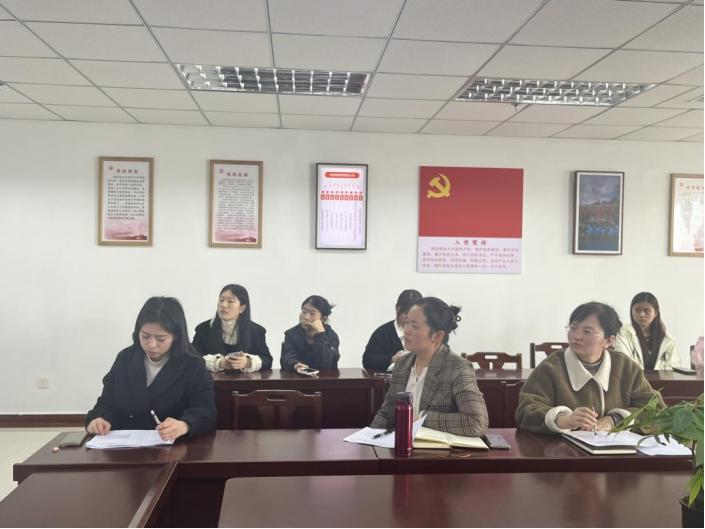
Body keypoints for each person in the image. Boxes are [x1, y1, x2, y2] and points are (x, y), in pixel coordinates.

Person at [515, 301, 659, 435]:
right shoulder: (551, 367)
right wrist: (563, 420)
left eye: (587, 331)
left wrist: (615, 420)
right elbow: (526, 410)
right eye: (573, 328)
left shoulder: (625, 367)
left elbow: (655, 409)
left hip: (616, 450)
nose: (576, 336)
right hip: (561, 450)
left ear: (609, 341)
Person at [85, 297, 216, 440]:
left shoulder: (193, 364)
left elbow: (205, 411)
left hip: (172, 445)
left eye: (161, 338)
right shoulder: (125, 359)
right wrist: (99, 419)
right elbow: (106, 403)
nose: (151, 344)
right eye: (145, 336)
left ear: (176, 336)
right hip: (125, 445)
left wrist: (185, 425)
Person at [370, 297, 488, 437]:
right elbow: (386, 415)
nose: (406, 330)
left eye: (415, 326)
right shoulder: (402, 363)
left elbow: (477, 423)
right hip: (400, 444)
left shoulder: (458, 368)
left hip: (435, 449)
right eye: (406, 323)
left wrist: (422, 418)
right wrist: (370, 439)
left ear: (437, 336)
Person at [192, 284, 272, 372]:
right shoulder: (203, 329)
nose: (223, 305)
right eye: (221, 300)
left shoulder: (256, 331)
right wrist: (218, 363)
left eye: (230, 301)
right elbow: (193, 359)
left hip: (245, 380)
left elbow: (267, 360)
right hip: (211, 380)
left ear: (242, 308)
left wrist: (247, 362)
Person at [614, 292, 680, 370]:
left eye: (647, 310)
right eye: (637, 310)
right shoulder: (623, 334)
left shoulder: (667, 339)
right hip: (633, 378)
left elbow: (674, 366)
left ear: (656, 313)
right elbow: (623, 363)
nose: (642, 314)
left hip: (662, 378)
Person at [362, 289, 423, 371]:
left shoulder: (426, 332)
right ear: (397, 309)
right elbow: (368, 361)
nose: (410, 318)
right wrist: (392, 359)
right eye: (406, 313)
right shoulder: (382, 333)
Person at [281, 295, 340, 371]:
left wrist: (321, 334)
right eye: (304, 312)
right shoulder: (291, 334)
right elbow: (288, 357)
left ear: (323, 318)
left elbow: (326, 364)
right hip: (297, 376)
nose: (306, 317)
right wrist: (295, 364)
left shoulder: (331, 336)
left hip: (325, 377)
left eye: (312, 314)